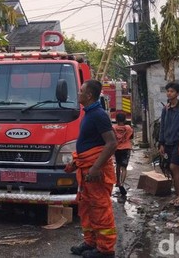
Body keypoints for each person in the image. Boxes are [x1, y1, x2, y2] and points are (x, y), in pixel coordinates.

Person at [67, 80, 117, 258]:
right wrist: (76, 162)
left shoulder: (98, 114)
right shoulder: (88, 113)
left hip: (95, 172)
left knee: (100, 208)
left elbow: (111, 143)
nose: (78, 93)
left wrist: (96, 168)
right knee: (87, 207)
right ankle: (91, 242)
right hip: (86, 169)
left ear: (89, 95)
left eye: (81, 91)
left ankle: (105, 250)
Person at [158, 82, 179, 208]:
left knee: (175, 167)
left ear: (177, 93)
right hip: (167, 143)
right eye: (168, 91)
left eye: (172, 91)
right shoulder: (166, 108)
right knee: (172, 169)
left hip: (178, 142)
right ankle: (178, 196)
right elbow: (162, 127)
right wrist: (161, 143)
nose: (169, 93)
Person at [112, 112, 133, 196]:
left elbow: (112, 138)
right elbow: (131, 136)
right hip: (126, 148)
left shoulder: (113, 128)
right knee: (124, 167)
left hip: (117, 148)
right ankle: (122, 183)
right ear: (125, 119)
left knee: (118, 165)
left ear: (116, 120)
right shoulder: (128, 128)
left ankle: (117, 181)